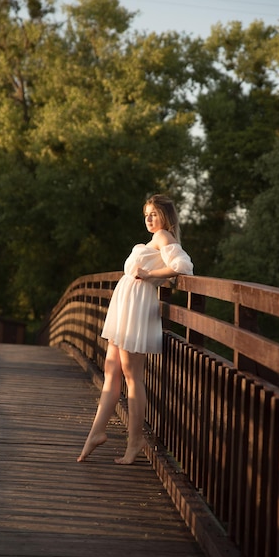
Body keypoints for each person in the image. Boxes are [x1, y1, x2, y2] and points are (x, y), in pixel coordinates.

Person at [77, 194, 194, 464]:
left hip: (137, 309)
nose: (149, 219)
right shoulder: (155, 240)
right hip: (125, 308)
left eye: (154, 213)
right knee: (111, 371)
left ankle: (135, 441)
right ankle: (96, 433)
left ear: (166, 216)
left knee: (132, 376)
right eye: (146, 214)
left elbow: (183, 267)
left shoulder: (164, 237)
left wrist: (151, 275)